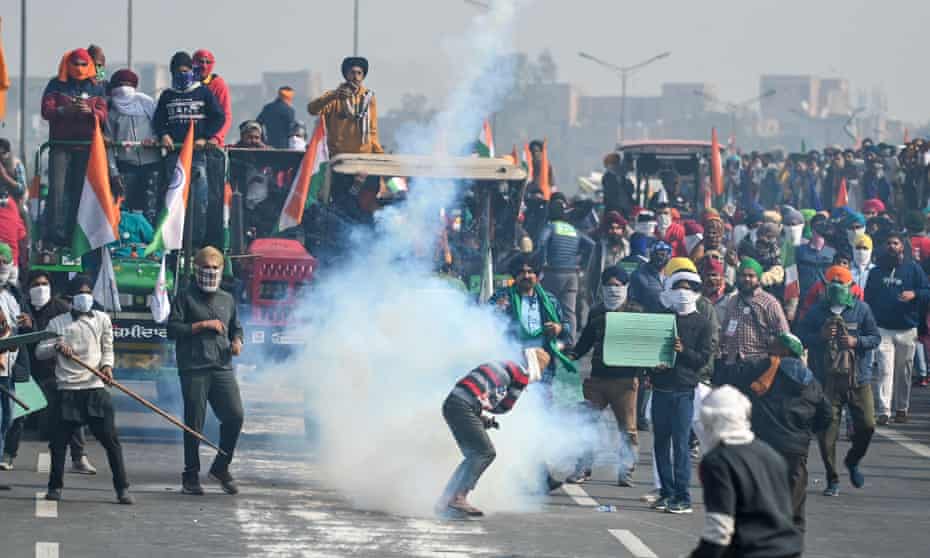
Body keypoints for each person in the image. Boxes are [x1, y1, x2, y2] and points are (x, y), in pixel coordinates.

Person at [36, 274, 132, 504]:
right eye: (80, 293)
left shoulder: (102, 319)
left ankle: (122, 488)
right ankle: (55, 487)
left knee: (111, 442)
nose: (85, 297)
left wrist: (107, 367)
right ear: (71, 297)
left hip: (94, 388)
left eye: (88, 293)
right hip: (67, 390)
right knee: (58, 444)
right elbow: (40, 351)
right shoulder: (57, 323)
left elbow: (108, 348)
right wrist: (56, 346)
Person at [730, 333, 830, 531]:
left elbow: (734, 378)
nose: (770, 347)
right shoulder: (811, 380)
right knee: (795, 505)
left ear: (785, 350)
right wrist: (807, 432)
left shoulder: (765, 368)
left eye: (774, 344)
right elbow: (826, 413)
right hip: (796, 448)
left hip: (765, 443)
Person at [689, 386, 803, 558]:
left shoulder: (718, 461)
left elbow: (719, 528)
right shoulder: (771, 455)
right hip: (787, 548)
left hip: (750, 550)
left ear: (710, 420)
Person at [436, 348, 550, 519]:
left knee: (473, 455)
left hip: (453, 404)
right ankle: (457, 497)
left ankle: (445, 501)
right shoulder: (522, 374)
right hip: (463, 407)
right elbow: (504, 407)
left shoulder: (502, 364)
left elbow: (474, 396)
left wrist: (481, 418)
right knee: (484, 453)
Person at [166, 247, 244, 496]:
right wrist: (202, 325)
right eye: (206, 267)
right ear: (196, 269)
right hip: (194, 368)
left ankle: (221, 467)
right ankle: (190, 475)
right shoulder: (185, 297)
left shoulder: (227, 299)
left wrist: (237, 341)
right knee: (194, 423)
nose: (210, 272)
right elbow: (172, 329)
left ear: (221, 270)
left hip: (221, 367)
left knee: (235, 416)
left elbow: (236, 327)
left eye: (214, 268)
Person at [798, 266, 880, 498]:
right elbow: (800, 337)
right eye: (832, 283)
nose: (836, 287)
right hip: (827, 381)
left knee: (867, 425)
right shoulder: (816, 311)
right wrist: (820, 337)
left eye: (841, 283)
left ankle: (852, 460)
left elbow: (875, 337)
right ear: (824, 286)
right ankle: (832, 478)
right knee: (826, 434)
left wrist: (856, 342)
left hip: (857, 379)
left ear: (851, 286)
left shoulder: (862, 309)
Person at [1, 270, 93, 473]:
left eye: (44, 284)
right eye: (36, 285)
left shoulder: (62, 309)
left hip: (57, 369)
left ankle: (79, 457)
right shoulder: (21, 306)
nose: (40, 288)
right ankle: (8, 454)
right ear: (28, 289)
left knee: (71, 412)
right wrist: (25, 327)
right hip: (27, 368)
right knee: (18, 414)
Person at [566, 266, 639, 486]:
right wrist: (573, 355)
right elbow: (586, 339)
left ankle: (626, 470)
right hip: (598, 378)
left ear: (626, 286)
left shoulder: (636, 311)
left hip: (625, 380)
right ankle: (583, 467)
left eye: (618, 285)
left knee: (628, 429)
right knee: (587, 423)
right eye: (609, 285)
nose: (613, 289)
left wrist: (645, 371)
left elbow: (644, 344)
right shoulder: (597, 311)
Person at [650, 267, 713, 514]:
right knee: (660, 443)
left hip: (684, 390)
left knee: (681, 444)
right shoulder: (663, 319)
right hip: (660, 388)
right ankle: (666, 492)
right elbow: (651, 352)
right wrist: (651, 369)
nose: (682, 293)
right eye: (678, 288)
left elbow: (702, 359)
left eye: (688, 289)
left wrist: (683, 350)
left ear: (696, 293)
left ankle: (683, 496)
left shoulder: (702, 323)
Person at [153, 52, 226, 249]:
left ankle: (195, 244)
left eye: (186, 71)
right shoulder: (167, 96)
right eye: (179, 72)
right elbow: (158, 120)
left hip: (197, 155)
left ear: (192, 71)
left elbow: (219, 117)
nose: (182, 75)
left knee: (199, 200)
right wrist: (163, 135)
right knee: (173, 199)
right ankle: (172, 242)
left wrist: (206, 137)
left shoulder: (203, 93)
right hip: (174, 155)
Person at [40, 48, 108, 247]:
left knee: (80, 193)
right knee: (57, 190)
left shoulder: (96, 87)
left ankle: (73, 235)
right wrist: (65, 110)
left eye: (83, 64)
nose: (79, 68)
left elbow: (104, 113)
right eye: (75, 64)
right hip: (60, 147)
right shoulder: (56, 84)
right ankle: (53, 236)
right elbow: (46, 110)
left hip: (85, 148)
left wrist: (90, 111)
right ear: (68, 65)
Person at [864, 232, 930, 425]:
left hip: (907, 329)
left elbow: (927, 291)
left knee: (904, 372)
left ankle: (902, 408)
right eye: (889, 243)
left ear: (902, 246)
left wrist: (914, 294)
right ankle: (884, 411)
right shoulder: (876, 271)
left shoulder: (913, 268)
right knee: (884, 370)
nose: (891, 246)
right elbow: (868, 298)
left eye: (895, 243)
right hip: (883, 329)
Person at [535, 193, 594, 342]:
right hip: (572, 274)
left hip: (553, 273)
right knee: (569, 311)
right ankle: (570, 342)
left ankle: (548, 340)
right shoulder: (573, 230)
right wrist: (583, 263)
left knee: (547, 306)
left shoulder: (550, 227)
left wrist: (541, 263)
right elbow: (592, 245)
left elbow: (540, 243)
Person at [106, 69, 161, 226]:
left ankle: (150, 239)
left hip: (151, 164)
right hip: (126, 166)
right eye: (120, 85)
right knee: (125, 211)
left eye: (128, 85)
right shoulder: (112, 112)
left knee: (150, 209)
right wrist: (114, 173)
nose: (124, 89)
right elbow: (108, 146)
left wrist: (154, 140)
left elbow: (161, 129)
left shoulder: (147, 104)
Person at [717, 258, 790, 375]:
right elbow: (725, 330)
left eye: (751, 276)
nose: (746, 279)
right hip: (731, 363)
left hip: (758, 364)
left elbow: (784, 335)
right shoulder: (733, 300)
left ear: (758, 279)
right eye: (743, 275)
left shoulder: (769, 302)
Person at [308, 57, 383, 156]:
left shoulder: (368, 97)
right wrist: (333, 96)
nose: (356, 77)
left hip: (364, 155)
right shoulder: (333, 97)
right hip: (339, 156)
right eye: (352, 73)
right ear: (346, 75)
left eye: (359, 73)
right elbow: (312, 110)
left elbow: (372, 129)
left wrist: (379, 153)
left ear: (363, 76)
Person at [192, 49, 232, 147]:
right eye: (200, 62)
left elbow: (226, 116)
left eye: (208, 62)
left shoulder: (218, 84)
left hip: (211, 143)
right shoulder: (186, 82)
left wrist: (217, 138)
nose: (204, 66)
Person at [629, 241, 672, 313]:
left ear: (669, 255)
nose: (660, 257)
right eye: (657, 254)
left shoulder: (674, 274)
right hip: (648, 316)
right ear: (651, 255)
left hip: (670, 316)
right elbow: (633, 302)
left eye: (664, 254)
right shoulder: (638, 275)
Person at [601, 153, 635, 217]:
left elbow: (630, 192)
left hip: (625, 210)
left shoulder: (624, 178)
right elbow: (611, 196)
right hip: (616, 211)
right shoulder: (608, 178)